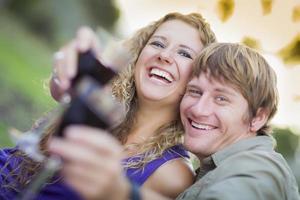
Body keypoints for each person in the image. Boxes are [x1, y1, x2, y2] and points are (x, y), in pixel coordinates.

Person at [0, 12, 217, 199]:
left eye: (184, 53)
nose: (164, 56)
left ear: (196, 79)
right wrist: (65, 70)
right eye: (158, 43)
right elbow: (62, 87)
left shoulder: (174, 173)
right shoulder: (105, 102)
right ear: (139, 54)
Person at [48, 42, 300, 200]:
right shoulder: (214, 167)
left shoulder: (261, 169)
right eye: (194, 91)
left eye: (221, 99)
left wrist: (123, 193)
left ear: (258, 117)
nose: (199, 109)